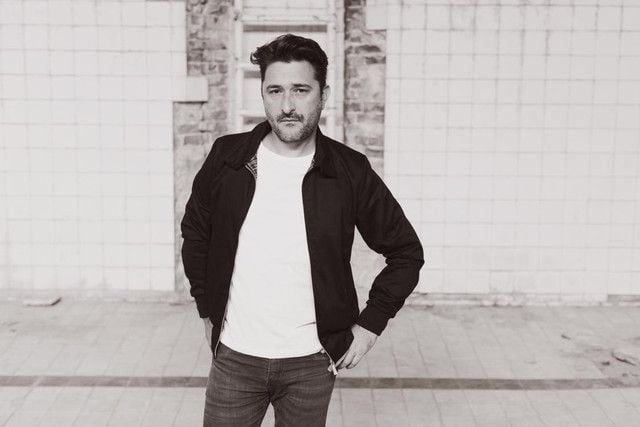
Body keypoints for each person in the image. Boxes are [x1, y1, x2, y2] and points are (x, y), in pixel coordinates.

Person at [180, 33, 424, 427]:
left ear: (323, 94)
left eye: (300, 90)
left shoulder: (348, 170)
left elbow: (406, 253)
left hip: (311, 363)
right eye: (275, 90)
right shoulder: (228, 157)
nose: (287, 106)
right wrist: (207, 307)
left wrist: (370, 325)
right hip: (234, 358)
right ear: (262, 93)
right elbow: (196, 233)